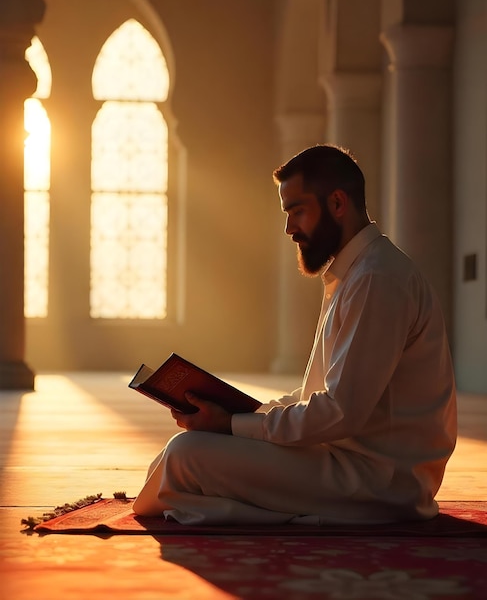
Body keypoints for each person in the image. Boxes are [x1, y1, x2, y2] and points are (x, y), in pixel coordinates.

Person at [133, 144, 457, 525]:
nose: (289, 229)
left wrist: (234, 425)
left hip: (378, 481)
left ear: (338, 203)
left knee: (186, 456)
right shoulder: (357, 273)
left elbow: (340, 412)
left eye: (296, 211)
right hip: (345, 459)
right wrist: (241, 415)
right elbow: (315, 399)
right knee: (191, 450)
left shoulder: (377, 279)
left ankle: (264, 516)